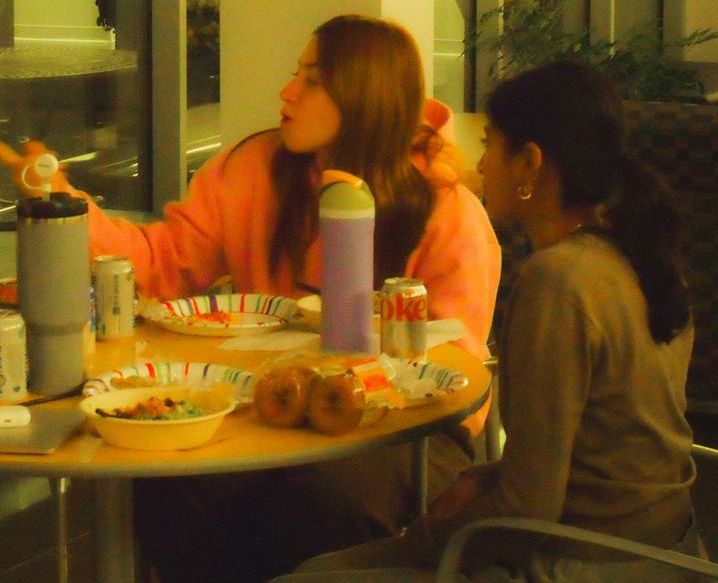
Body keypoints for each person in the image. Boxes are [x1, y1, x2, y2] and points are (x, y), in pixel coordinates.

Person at [0, 14, 502, 581]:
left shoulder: (447, 211)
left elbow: (458, 365)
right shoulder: (253, 170)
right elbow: (162, 264)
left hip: (409, 429)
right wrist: (62, 199)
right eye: (295, 73)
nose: (286, 92)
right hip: (269, 409)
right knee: (167, 483)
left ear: (363, 97)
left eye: (311, 79)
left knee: (323, 501)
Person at [273, 60, 698, 583]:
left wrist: (423, 539)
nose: (478, 159)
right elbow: (598, 448)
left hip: (584, 559)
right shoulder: (639, 254)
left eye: (491, 143)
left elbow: (530, 508)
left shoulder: (560, 282)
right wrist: (487, 477)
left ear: (529, 164)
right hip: (667, 549)